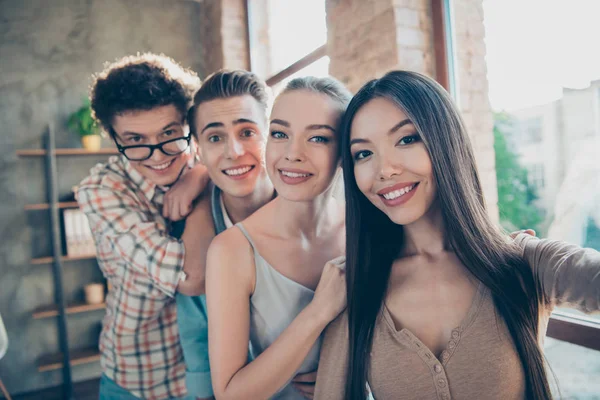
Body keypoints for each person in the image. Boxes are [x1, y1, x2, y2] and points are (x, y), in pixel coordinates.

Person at [314, 70, 600, 400]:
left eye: (406, 139)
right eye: (363, 153)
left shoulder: (524, 263)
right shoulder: (352, 286)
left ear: (445, 141)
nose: (384, 169)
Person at [205, 77, 351, 399]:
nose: (292, 154)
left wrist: (346, 368)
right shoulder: (232, 250)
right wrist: (317, 313)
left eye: (317, 138)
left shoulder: (362, 231)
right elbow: (231, 394)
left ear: (344, 152)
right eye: (280, 134)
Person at [77, 53, 209, 400]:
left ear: (188, 128)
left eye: (169, 133)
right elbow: (190, 278)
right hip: (142, 377)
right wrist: (204, 195)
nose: (157, 155)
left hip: (217, 371)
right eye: (135, 141)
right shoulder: (102, 191)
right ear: (113, 138)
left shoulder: (207, 163)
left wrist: (201, 175)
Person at [176, 69, 275, 399]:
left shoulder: (314, 210)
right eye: (215, 137)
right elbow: (198, 341)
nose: (233, 151)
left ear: (273, 134)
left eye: (247, 132)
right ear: (199, 150)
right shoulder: (184, 228)